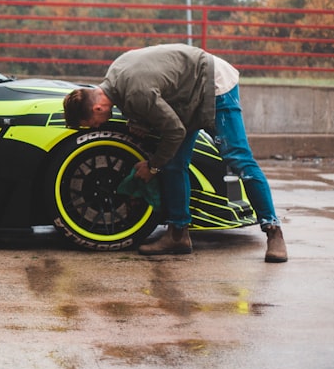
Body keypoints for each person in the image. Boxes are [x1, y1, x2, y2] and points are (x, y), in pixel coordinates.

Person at [62, 43, 287, 262]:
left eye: (91, 123)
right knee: (173, 164)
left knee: (239, 160)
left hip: (213, 83)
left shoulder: (136, 93)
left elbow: (175, 131)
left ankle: (273, 231)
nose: (97, 127)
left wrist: (152, 167)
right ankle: (178, 235)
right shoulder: (114, 74)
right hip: (186, 96)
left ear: (97, 108)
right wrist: (140, 122)